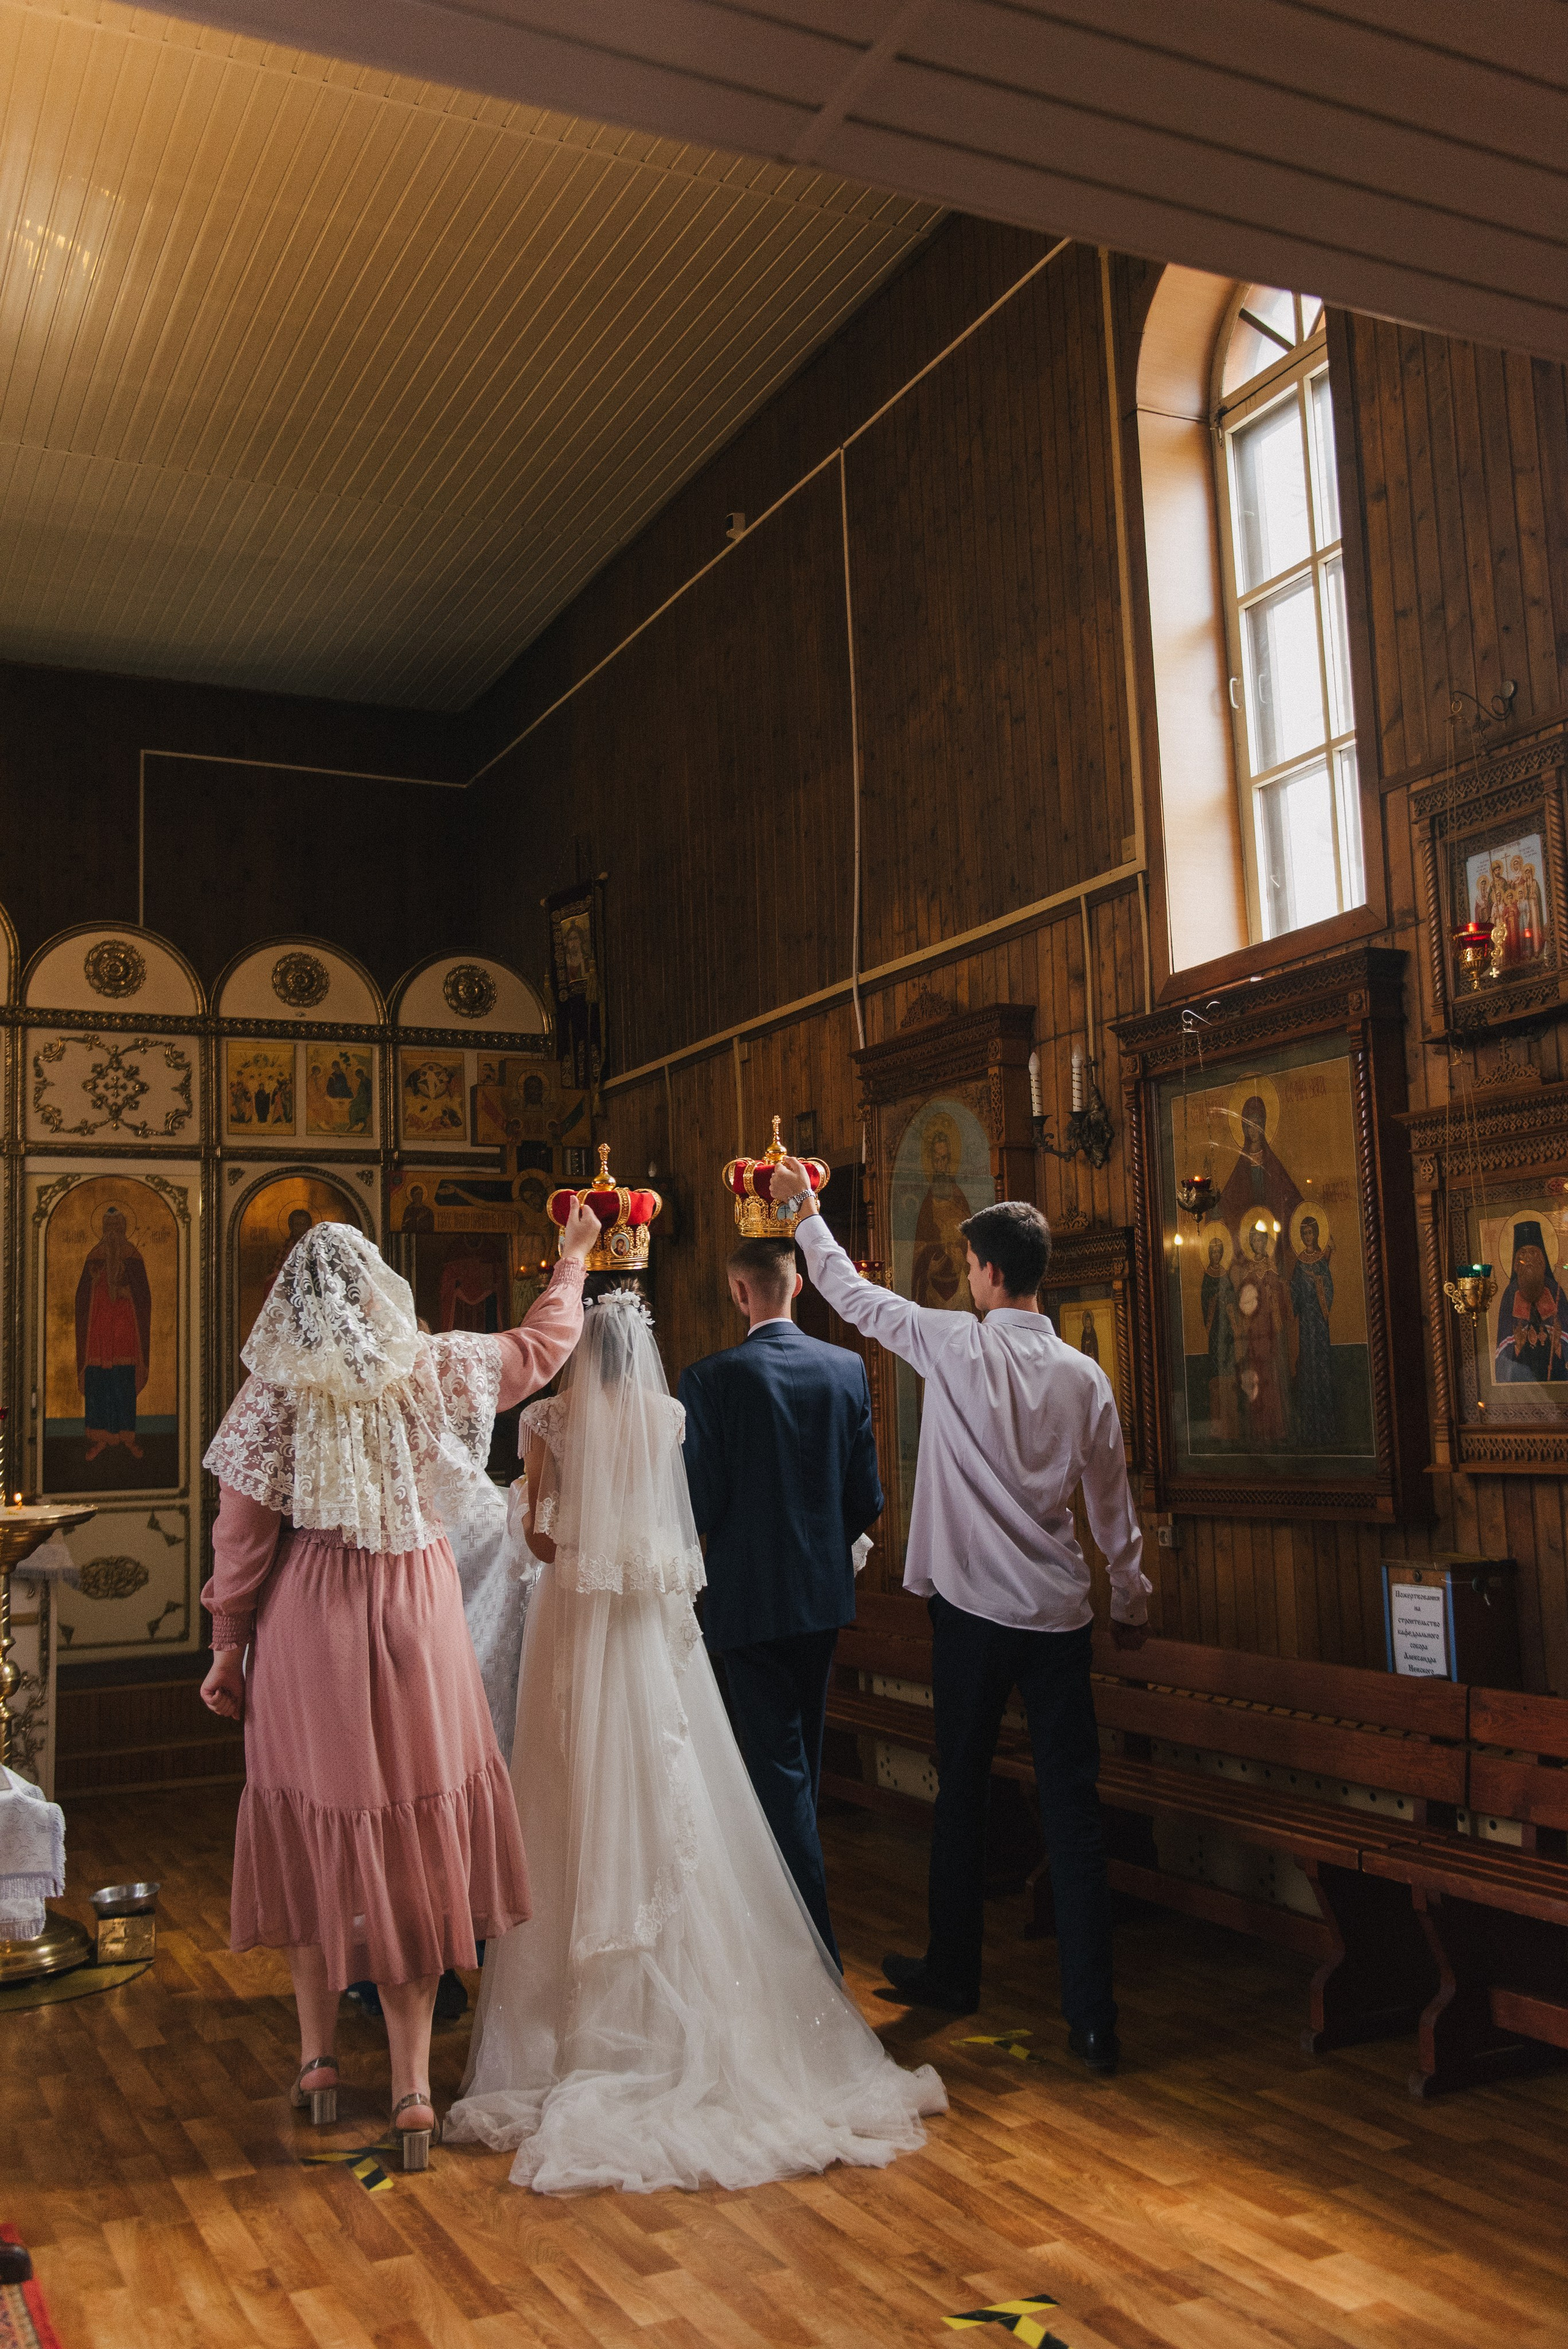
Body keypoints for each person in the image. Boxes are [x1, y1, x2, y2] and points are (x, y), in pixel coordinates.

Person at [445, 1283, 944, 2194]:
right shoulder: (667, 1412)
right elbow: (678, 1521)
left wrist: (541, 1515)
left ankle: (567, 2015)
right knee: (665, 1776)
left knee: (570, 1782)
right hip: (648, 1624)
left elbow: (546, 1541)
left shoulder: (550, 1418)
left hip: (577, 1620)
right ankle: (694, 1992)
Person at [198, 1203, 598, 2168]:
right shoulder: (434, 1364)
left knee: (314, 1828)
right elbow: (542, 1346)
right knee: (417, 1836)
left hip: (310, 1619)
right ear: (378, 1285)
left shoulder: (271, 1395)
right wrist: (575, 1259)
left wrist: (224, 1645)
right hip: (418, 1606)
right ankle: (416, 2084)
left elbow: (242, 1539)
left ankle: (321, 2061)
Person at [767, 1155, 1150, 2075]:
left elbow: (849, 1295)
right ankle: (1094, 2019)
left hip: (974, 1615)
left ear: (988, 1271)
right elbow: (1112, 1504)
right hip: (1059, 1617)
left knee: (963, 1791)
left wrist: (804, 1210)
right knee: (1073, 1811)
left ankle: (953, 1970)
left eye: (971, 1262)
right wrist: (1131, 1597)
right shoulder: (1085, 1377)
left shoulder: (953, 1341)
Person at [677, 1236, 883, 1965]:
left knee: (773, 1772)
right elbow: (867, 1497)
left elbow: (699, 1501)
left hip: (747, 1601)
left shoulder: (710, 1379)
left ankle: (804, 1950)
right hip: (821, 1599)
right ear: (795, 1285)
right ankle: (786, 1937)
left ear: (740, 1292)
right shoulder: (846, 1368)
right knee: (800, 1765)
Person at [76, 1204, 153, 1463]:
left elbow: (144, 1296)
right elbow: (81, 1298)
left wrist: (126, 1293)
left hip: (124, 1331)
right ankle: (100, 1438)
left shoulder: (133, 1256)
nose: (113, 1232)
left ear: (124, 1228)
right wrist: (95, 1282)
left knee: (122, 1383)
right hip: (98, 1332)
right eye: (108, 1227)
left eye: (117, 1227)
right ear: (102, 1229)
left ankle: (127, 1437)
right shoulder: (94, 1256)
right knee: (99, 1383)